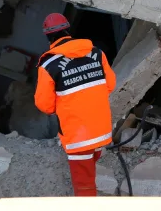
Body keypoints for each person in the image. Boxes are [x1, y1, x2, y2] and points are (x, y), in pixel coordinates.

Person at [34, 13, 116, 197]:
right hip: (101, 130)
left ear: (48, 37)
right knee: (90, 173)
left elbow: (44, 105)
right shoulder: (96, 53)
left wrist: (66, 105)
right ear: (68, 30)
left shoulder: (48, 65)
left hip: (79, 136)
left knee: (84, 187)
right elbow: (110, 85)